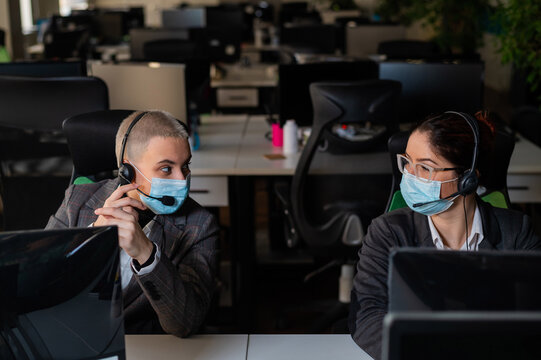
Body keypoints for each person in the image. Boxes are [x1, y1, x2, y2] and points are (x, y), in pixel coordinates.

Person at [348, 111, 541, 359]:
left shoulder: (517, 233)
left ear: (468, 179)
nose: (409, 175)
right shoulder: (388, 233)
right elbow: (367, 314)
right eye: (407, 162)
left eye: (425, 168)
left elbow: (532, 316)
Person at [46, 110, 218, 337]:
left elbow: (186, 323)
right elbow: (38, 286)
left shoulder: (199, 224)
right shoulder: (77, 201)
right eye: (166, 168)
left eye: (185, 166)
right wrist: (92, 242)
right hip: (73, 338)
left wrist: (146, 254)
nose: (181, 179)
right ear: (128, 171)